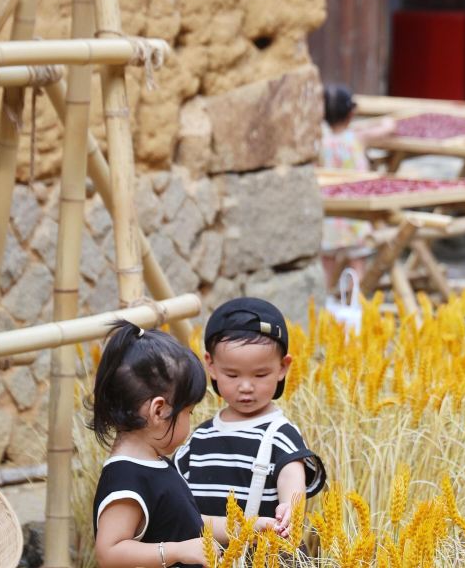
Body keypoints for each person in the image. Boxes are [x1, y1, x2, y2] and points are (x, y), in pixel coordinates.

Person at [88, 321, 277, 568]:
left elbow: (190, 522)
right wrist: (177, 551)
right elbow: (109, 552)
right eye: (188, 411)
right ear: (159, 411)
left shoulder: (155, 465)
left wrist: (249, 527)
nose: (190, 420)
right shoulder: (127, 480)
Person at [176, 298, 327, 539]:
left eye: (260, 374)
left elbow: (291, 473)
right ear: (211, 365)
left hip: (263, 554)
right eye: (232, 375)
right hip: (204, 555)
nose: (246, 387)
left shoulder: (281, 434)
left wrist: (291, 507)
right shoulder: (200, 438)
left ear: (282, 367)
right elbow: (176, 495)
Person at [319, 84, 394, 288]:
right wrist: (387, 120)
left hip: (330, 214)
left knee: (326, 266)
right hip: (356, 215)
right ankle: (356, 303)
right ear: (351, 114)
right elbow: (388, 129)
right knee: (357, 266)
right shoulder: (357, 138)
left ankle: (322, 304)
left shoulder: (321, 142)